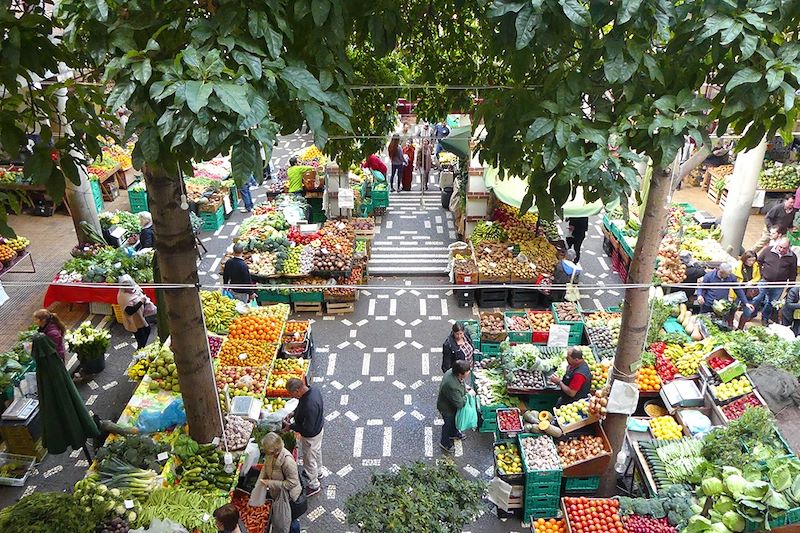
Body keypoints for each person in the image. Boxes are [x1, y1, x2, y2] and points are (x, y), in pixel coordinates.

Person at [283, 378, 324, 497]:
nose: (293, 397)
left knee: (309, 459)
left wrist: (291, 427)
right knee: (316, 452)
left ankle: (314, 485)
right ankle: (319, 472)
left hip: (311, 435)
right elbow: (301, 407)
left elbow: (307, 428)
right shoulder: (312, 391)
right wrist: (293, 414)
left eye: (292, 395)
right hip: (318, 429)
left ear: (297, 391)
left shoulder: (309, 405)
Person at [256, 433, 302, 533]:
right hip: (277, 493)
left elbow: (292, 482)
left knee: (291, 520)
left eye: (267, 451)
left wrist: (270, 483)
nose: (265, 453)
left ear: (275, 450)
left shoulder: (287, 462)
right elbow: (266, 465)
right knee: (283, 518)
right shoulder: (271, 455)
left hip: (288, 497)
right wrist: (261, 479)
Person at [755, 237, 798, 325]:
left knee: (772, 302)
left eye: (784, 248)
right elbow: (758, 262)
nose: (781, 249)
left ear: (789, 247)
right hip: (765, 280)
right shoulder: (768, 250)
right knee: (757, 298)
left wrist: (790, 287)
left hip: (779, 284)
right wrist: (759, 275)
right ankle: (752, 313)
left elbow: (793, 273)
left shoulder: (792, 257)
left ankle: (765, 318)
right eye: (780, 247)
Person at [436, 359, 470, 453]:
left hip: (450, 405)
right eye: (467, 372)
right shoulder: (452, 385)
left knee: (453, 421)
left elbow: (461, 383)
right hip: (447, 408)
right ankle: (445, 443)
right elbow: (459, 403)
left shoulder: (451, 371)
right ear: (460, 374)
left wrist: (465, 388)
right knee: (448, 424)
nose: (468, 373)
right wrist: (468, 396)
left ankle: (454, 433)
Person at [117, 274, 155, 349]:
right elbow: (129, 311)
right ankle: (140, 355)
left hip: (141, 316)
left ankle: (143, 351)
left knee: (147, 330)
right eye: (126, 286)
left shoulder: (135, 289)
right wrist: (141, 301)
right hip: (134, 321)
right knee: (141, 339)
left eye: (130, 285)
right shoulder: (123, 297)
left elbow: (141, 293)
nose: (129, 288)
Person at [731, 250, 761, 329]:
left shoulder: (756, 266)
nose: (751, 262)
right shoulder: (738, 266)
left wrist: (752, 282)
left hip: (749, 292)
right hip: (738, 291)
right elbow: (733, 280)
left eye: (753, 260)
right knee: (733, 308)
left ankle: (740, 328)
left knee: (748, 311)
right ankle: (729, 324)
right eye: (749, 260)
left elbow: (757, 277)